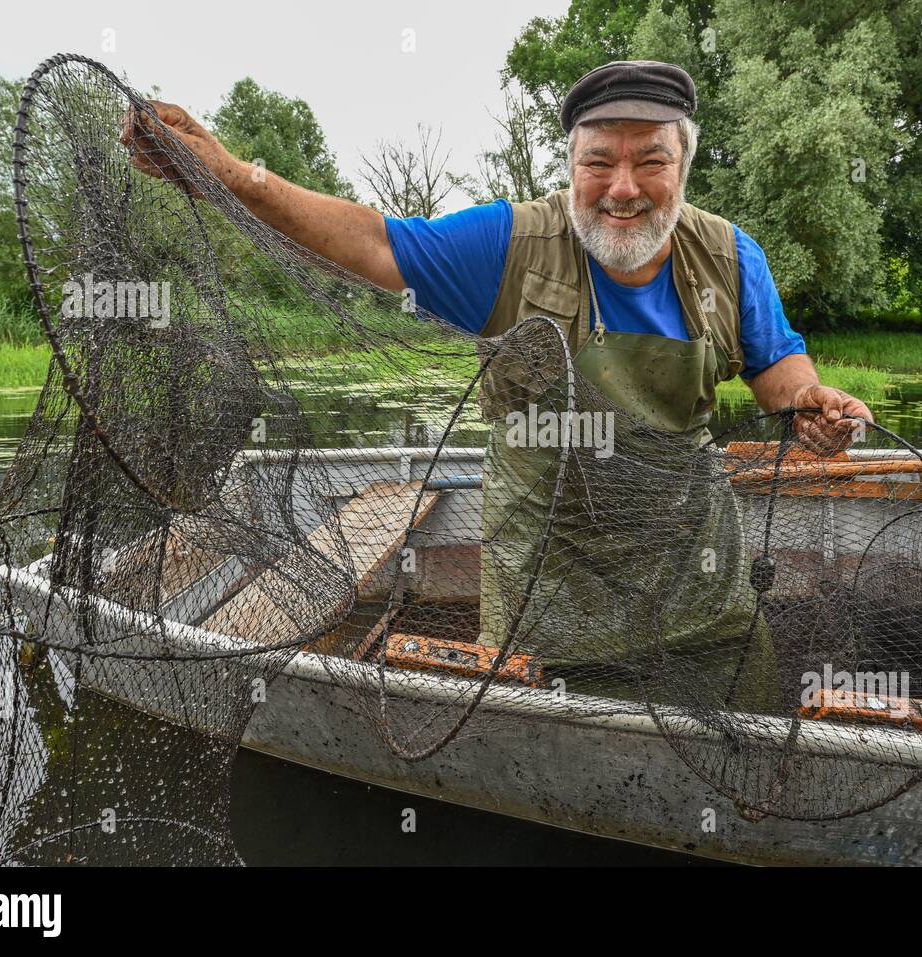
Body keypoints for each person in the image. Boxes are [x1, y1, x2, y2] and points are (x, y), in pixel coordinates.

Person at [121, 60, 875, 680]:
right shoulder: (509, 244)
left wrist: (813, 404)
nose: (623, 187)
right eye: (599, 162)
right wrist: (231, 176)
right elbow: (373, 244)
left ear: (684, 165)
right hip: (548, 606)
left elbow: (781, 377)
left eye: (651, 161)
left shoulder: (733, 257)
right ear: (571, 165)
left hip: (699, 598)